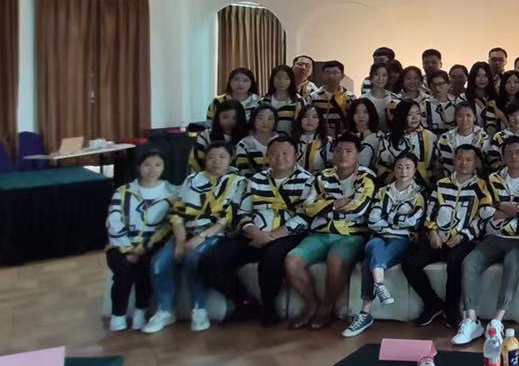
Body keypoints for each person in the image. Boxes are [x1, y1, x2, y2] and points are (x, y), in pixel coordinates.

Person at [200, 136, 316, 326]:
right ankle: (245, 302)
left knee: (272, 257)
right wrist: (256, 233)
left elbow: (306, 216)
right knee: (210, 260)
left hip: (287, 236)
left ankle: (268, 308)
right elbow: (242, 213)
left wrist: (271, 236)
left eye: (285, 153)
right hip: (254, 235)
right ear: (267, 156)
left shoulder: (308, 181)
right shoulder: (255, 180)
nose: (279, 158)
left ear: (296, 155)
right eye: (274, 154)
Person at [284, 133, 376, 329]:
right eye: (339, 150)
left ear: (358, 154)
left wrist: (324, 203)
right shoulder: (322, 176)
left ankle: (326, 308)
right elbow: (308, 207)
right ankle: (311, 304)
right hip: (319, 233)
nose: (343, 155)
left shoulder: (366, 177)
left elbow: (358, 208)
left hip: (351, 234)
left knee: (335, 260)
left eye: (349, 151)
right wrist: (337, 203)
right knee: (292, 260)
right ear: (333, 153)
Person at [455, 137, 519, 344]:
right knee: (469, 262)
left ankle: (497, 321)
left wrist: (500, 206)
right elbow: (484, 210)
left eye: (518, 152)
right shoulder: (492, 179)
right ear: (502, 156)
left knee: (513, 263)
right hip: (493, 237)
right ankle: (471, 320)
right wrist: (511, 208)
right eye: (508, 152)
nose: (513, 156)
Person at [155, 141, 246, 332]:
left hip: (216, 233)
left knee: (193, 258)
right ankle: (165, 310)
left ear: (230, 159)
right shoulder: (192, 180)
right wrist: (180, 241)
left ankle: (199, 309)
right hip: (185, 232)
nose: (216, 161)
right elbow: (177, 212)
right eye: (211, 157)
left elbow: (228, 218)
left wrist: (202, 237)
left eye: (222, 157)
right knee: (160, 263)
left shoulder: (238, 182)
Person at [402, 144, 495, 330]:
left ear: (476, 162)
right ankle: (433, 303)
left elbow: (483, 219)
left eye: (468, 159)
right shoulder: (442, 184)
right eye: (460, 158)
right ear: (454, 159)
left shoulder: (482, 186)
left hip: (465, 240)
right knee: (409, 264)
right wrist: (432, 231)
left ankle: (451, 309)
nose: (463, 163)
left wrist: (463, 236)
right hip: (438, 237)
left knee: (455, 262)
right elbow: (430, 211)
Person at [343, 153, 426, 337]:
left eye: (408, 167)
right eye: (399, 167)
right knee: (373, 245)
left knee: (368, 262)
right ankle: (379, 284)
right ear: (393, 169)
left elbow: (413, 222)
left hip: (403, 239)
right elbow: (372, 220)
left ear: (414, 170)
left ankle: (365, 312)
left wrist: (387, 217)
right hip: (380, 236)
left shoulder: (418, 194)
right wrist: (397, 221)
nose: (403, 171)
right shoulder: (383, 191)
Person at [105, 148, 174, 332]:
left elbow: (168, 226)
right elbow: (113, 221)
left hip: (151, 245)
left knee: (147, 266)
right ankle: (118, 315)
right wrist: (128, 248)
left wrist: (144, 247)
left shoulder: (171, 193)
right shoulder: (123, 191)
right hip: (120, 245)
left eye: (158, 165)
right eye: (147, 165)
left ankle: (140, 311)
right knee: (124, 271)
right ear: (139, 167)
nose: (152, 169)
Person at [376, 98, 437, 184]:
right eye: (410, 114)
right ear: (401, 116)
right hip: (396, 186)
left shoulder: (430, 136)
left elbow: (436, 165)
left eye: (418, 113)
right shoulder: (387, 139)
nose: (415, 118)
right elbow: (381, 168)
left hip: (425, 186)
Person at [436, 100, 491, 175]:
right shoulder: (445, 138)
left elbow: (486, 163)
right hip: (449, 178)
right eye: (460, 116)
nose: (464, 119)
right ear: (455, 118)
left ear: (474, 118)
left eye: (468, 115)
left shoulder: (482, 137)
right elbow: (438, 163)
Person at [189, 98, 245, 172]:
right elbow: (195, 161)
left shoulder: (246, 138)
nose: (230, 121)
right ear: (217, 117)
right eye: (225, 117)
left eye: (234, 118)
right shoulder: (206, 135)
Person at [233, 104, 281, 175]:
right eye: (260, 118)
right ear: (253, 120)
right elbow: (243, 171)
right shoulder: (244, 144)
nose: (265, 122)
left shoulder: (283, 142)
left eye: (270, 119)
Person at [290, 102, 332, 174]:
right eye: (305, 116)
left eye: (315, 117)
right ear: (300, 119)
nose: (310, 120)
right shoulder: (291, 141)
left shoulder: (327, 141)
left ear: (320, 120)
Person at [313, 60, 351, 135]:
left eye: (335, 73)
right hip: (318, 137)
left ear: (342, 76)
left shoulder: (349, 97)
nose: (331, 76)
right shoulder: (313, 96)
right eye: (327, 72)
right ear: (322, 75)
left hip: (341, 137)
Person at [262, 65, 301, 136]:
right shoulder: (264, 100)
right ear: (272, 79)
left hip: (290, 139)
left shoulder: (297, 100)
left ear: (291, 81)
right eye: (278, 78)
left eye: (286, 78)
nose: (282, 81)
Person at [345, 98, 383, 172]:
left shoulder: (380, 137)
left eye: (365, 112)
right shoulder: (345, 136)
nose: (361, 116)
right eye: (356, 112)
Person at [466, 61, 497, 132]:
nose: (482, 79)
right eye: (478, 75)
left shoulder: (495, 98)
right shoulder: (464, 98)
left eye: (485, 75)